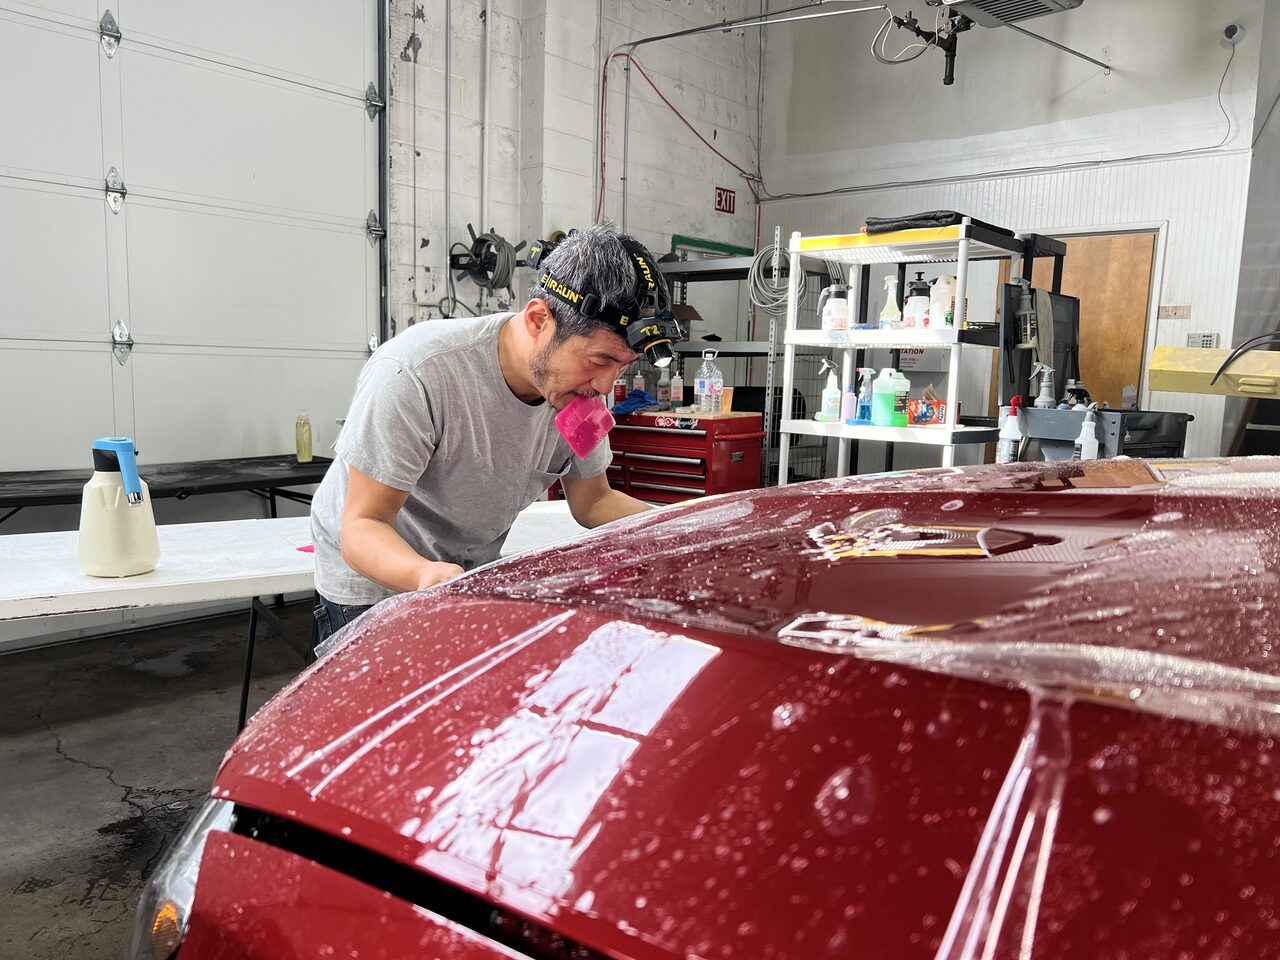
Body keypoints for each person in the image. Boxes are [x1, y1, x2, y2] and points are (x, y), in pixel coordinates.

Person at [309, 221, 670, 644]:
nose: (607, 386)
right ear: (539, 320)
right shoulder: (418, 373)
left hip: (462, 578)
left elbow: (594, 501)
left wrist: (680, 526)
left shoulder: (580, 390)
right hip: (376, 588)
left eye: (621, 367)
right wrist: (426, 575)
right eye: (599, 360)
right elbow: (363, 526)